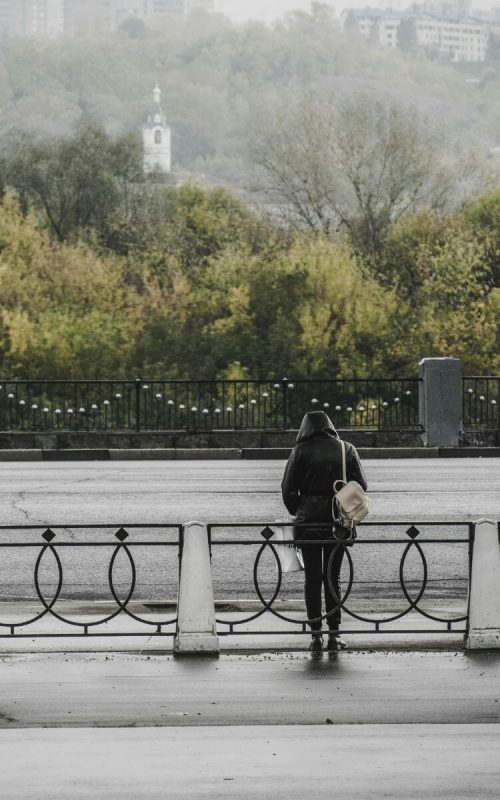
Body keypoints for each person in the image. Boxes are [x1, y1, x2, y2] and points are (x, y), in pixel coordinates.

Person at [281, 410, 367, 652]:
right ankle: (334, 634)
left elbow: (287, 489)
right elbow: (362, 484)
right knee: (333, 577)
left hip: (308, 522)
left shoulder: (300, 451)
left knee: (312, 578)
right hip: (337, 521)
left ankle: (315, 635)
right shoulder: (345, 448)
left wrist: (301, 508)